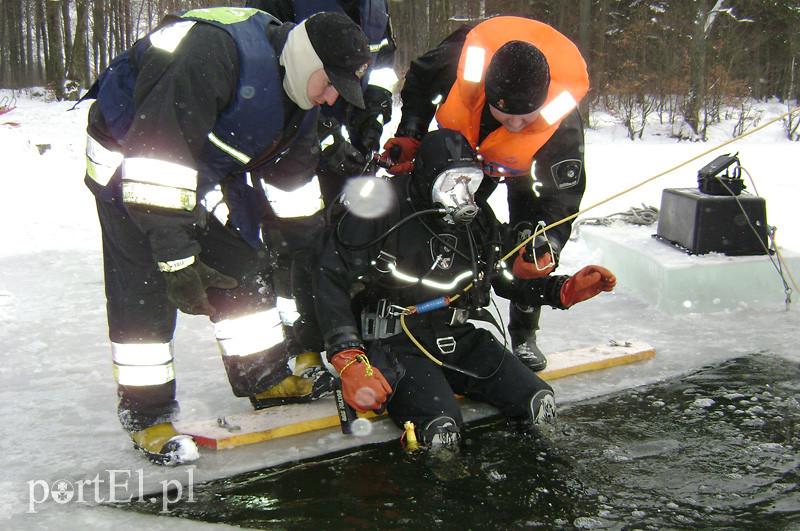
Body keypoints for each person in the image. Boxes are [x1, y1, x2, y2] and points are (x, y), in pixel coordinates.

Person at [82, 7, 371, 465]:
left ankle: (264, 377)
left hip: (192, 174)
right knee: (145, 290)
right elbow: (158, 161)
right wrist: (177, 261)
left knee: (244, 263)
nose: (333, 98)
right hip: (130, 169)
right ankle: (147, 416)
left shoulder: (300, 98)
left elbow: (292, 185)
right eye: (331, 84)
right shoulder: (212, 55)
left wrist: (321, 256)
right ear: (307, 60)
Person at [313, 128, 615, 446]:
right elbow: (330, 279)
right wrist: (348, 360)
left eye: (469, 180)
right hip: (396, 344)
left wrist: (560, 290)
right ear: (425, 175)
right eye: (451, 181)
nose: (462, 191)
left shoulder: (477, 218)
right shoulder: (382, 210)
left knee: (539, 400)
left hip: (455, 337)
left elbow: (500, 276)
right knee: (441, 429)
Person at [381, 16, 589, 373]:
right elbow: (418, 82)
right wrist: (411, 131)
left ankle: (524, 332)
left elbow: (563, 199)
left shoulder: (561, 121)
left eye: (525, 118)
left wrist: (548, 243)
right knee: (446, 216)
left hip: (522, 168)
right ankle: (433, 302)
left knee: (528, 243)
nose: (516, 125)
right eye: (507, 115)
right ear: (488, 96)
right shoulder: (460, 62)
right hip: (467, 147)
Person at [243, 0, 396, 379]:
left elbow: (382, 67)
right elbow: (273, 68)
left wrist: (372, 113)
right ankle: (304, 344)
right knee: (293, 241)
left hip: (350, 137)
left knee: (349, 239)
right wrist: (323, 136)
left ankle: (350, 333)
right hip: (294, 139)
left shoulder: (375, 7)